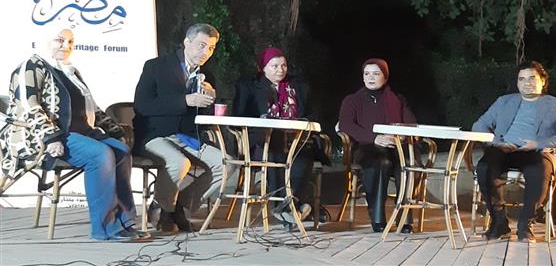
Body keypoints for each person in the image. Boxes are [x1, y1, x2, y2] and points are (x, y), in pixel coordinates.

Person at [3, 29, 146, 241]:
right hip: (44, 137)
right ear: (44, 40)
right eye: (59, 40)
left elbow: (92, 108)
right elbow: (28, 105)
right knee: (100, 154)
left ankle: (124, 222)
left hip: (81, 134)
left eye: (70, 42)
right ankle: (105, 228)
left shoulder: (71, 72)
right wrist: (51, 137)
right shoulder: (31, 66)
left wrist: (115, 131)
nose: (66, 46)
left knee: (122, 151)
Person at [133, 23, 232, 234]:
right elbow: (142, 105)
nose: (206, 53)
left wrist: (211, 101)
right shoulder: (156, 66)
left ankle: (179, 206)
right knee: (178, 162)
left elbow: (203, 118)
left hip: (188, 137)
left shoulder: (206, 76)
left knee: (226, 164)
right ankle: (163, 209)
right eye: (201, 45)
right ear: (187, 42)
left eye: (211, 48)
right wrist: (185, 100)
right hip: (156, 134)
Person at [473, 60, 556, 243]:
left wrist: (539, 143)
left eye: (532, 78)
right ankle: (499, 222)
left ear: (543, 81)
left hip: (536, 151)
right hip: (504, 149)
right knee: (484, 167)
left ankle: (525, 224)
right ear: (517, 82)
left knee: (539, 171)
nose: (526, 83)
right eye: (521, 79)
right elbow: (479, 125)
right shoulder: (504, 101)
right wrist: (497, 143)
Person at [233, 47, 329, 224]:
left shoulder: (299, 87)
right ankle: (292, 208)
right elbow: (239, 117)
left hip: (296, 139)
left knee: (304, 153)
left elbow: (313, 114)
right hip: (264, 141)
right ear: (263, 68)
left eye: (283, 65)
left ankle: (290, 206)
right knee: (274, 150)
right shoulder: (250, 87)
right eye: (275, 66)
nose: (280, 70)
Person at [338, 58, 417, 233]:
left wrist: (401, 137)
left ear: (385, 77)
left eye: (376, 73)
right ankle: (378, 218)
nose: (371, 78)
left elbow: (411, 123)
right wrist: (374, 138)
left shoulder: (397, 99)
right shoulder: (352, 100)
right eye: (367, 74)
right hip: (366, 147)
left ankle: (404, 219)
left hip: (395, 147)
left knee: (408, 166)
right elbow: (346, 124)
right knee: (381, 162)